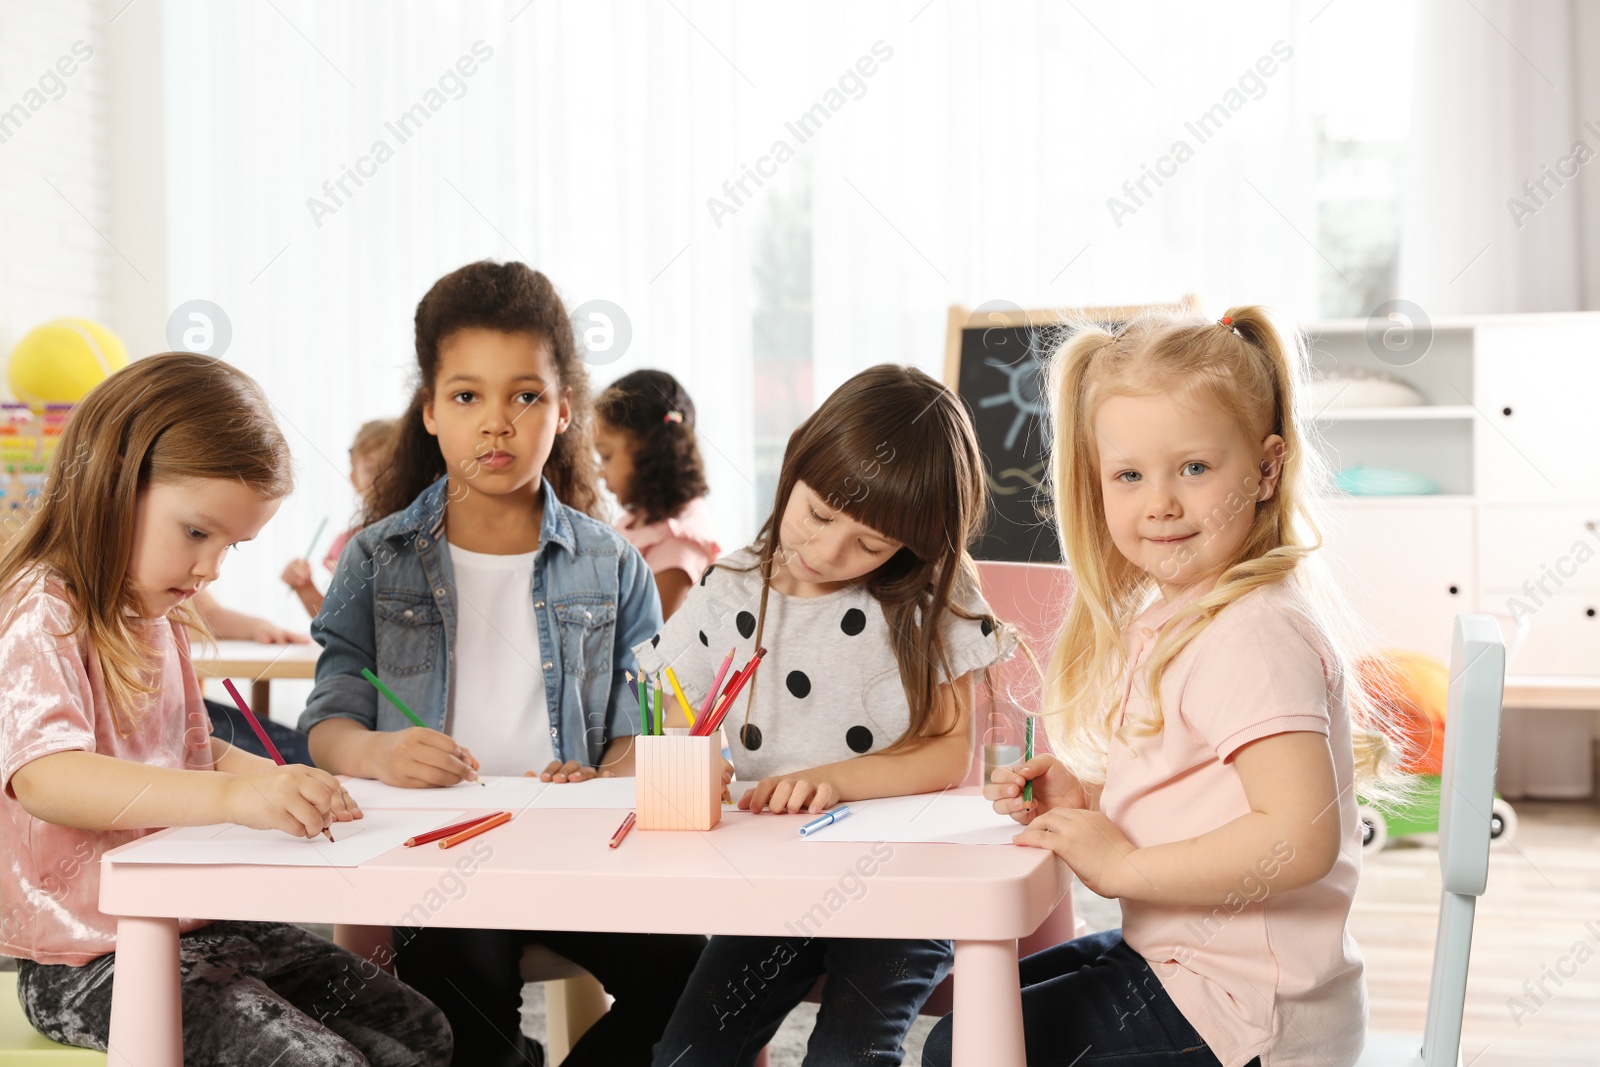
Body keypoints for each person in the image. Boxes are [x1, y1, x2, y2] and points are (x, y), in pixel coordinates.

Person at [924, 307, 1407, 1067]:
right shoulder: (1180, 613)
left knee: (968, 1043)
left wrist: (1123, 867)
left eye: (1193, 467)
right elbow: (1189, 779)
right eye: (1129, 475)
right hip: (1187, 961)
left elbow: (1298, 835)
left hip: (1249, 1010)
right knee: (981, 1010)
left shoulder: (1252, 632)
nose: (1160, 503)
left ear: (1266, 469)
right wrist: (1088, 794)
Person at [298, 261, 705, 1067]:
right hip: (440, 856)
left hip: (580, 852)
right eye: (466, 395)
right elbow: (328, 718)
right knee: (457, 996)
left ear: (563, 413)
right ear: (429, 412)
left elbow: (639, 730)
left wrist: (612, 772)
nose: (497, 423)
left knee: (698, 977)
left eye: (525, 395)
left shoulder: (614, 563)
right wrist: (376, 751)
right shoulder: (376, 559)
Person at [0, 351, 450, 1066]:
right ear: (117, 479)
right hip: (86, 959)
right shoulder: (43, 610)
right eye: (198, 533)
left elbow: (192, 750)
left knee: (420, 1029)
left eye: (231, 545)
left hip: (197, 924)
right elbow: (48, 778)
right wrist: (235, 795)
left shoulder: (158, 617)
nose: (212, 568)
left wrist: (282, 782)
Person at [638, 365, 1013, 1067]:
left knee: (848, 1052)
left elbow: (944, 754)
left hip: (907, 876)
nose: (829, 551)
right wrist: (688, 752)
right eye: (817, 514)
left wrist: (832, 779)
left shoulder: (933, 591)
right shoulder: (735, 583)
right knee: (689, 1052)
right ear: (795, 460)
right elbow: (664, 697)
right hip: (775, 876)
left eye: (871, 544)